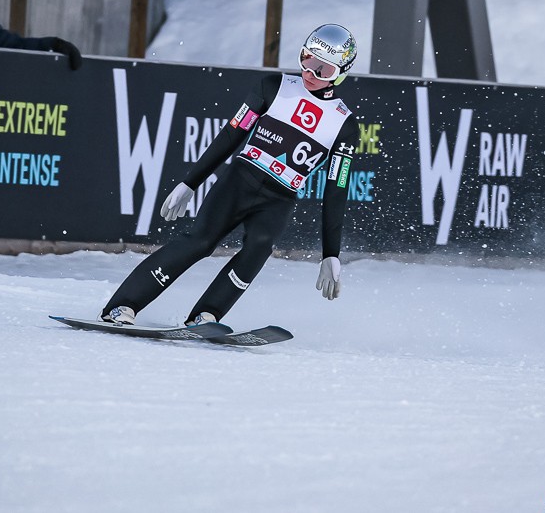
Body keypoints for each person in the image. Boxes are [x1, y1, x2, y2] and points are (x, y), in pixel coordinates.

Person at [100, 23, 360, 327]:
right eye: (306, 59)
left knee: (258, 249)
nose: (309, 72)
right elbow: (230, 135)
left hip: (279, 198)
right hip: (241, 179)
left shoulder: (344, 124)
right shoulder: (273, 86)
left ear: (340, 74)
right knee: (200, 242)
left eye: (322, 69)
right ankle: (121, 306)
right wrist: (190, 182)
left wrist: (330, 253)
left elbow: (336, 189)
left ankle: (206, 315)